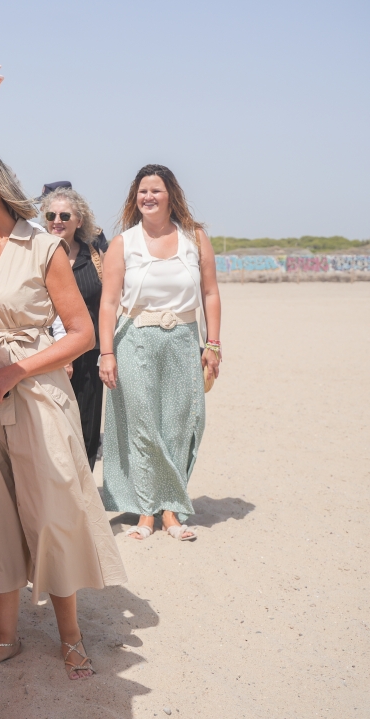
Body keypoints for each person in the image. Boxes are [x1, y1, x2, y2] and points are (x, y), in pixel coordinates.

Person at [0, 152, 125, 680]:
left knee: (51, 513)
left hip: (36, 395)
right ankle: (5, 638)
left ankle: (71, 638)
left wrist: (14, 371)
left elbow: (81, 334)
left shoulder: (44, 247)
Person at [98, 164, 222, 542]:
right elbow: (108, 302)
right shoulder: (123, 243)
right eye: (142, 191)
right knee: (143, 425)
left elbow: (211, 294)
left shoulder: (195, 238)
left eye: (156, 190)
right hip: (134, 338)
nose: (148, 197)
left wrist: (212, 343)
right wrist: (106, 353)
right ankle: (149, 512)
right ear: (135, 198)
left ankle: (170, 509)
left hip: (184, 340)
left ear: (171, 196)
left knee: (182, 424)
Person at [41, 187, 108, 469]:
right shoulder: (36, 256)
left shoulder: (96, 256)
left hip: (90, 353)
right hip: (47, 355)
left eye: (65, 215)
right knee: (52, 425)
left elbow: (111, 303)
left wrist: (108, 352)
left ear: (79, 221)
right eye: (51, 215)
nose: (57, 220)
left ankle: (85, 492)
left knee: (87, 426)